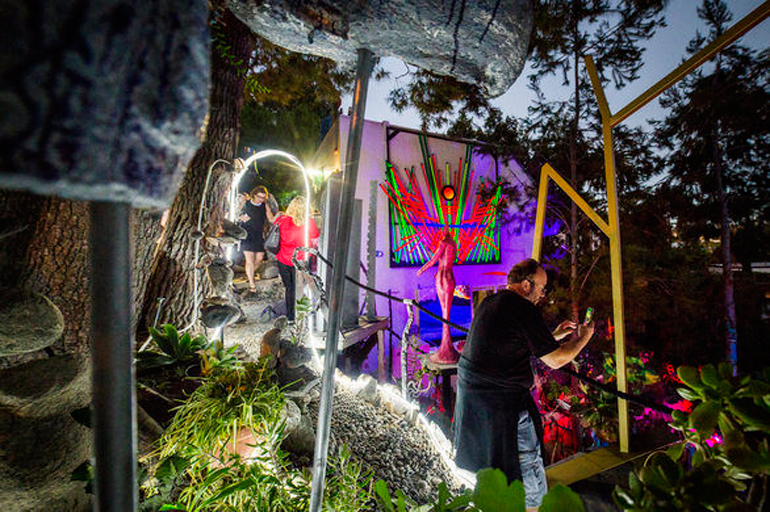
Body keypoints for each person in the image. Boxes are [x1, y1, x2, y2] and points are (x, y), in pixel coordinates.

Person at [453, 258, 594, 511]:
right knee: (528, 469)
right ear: (526, 285)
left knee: (491, 466)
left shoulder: (491, 302)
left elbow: (513, 341)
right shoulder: (523, 308)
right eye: (541, 288)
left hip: (475, 400)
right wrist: (583, 338)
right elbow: (557, 360)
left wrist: (553, 335)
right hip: (504, 403)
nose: (543, 295)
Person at [416, 228, 460, 364]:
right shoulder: (453, 244)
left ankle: (445, 351)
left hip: (442, 277)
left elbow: (433, 260)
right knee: (446, 314)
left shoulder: (443, 243)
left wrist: (421, 270)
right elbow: (447, 260)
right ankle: (447, 348)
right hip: (450, 277)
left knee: (444, 314)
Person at [273, 196, 319, 322]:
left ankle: (291, 317)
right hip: (301, 258)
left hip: (283, 258)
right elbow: (315, 239)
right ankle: (309, 311)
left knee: (289, 288)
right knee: (303, 285)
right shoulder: (309, 221)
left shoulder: (281, 220)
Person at [237, 186, 277, 294]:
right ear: (254, 195)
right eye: (259, 197)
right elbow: (236, 215)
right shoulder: (246, 203)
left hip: (258, 235)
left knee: (259, 259)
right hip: (247, 234)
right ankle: (252, 284)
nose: (261, 199)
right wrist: (241, 218)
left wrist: (279, 216)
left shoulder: (264, 205)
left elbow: (271, 219)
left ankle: (249, 274)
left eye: (263, 197)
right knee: (249, 260)